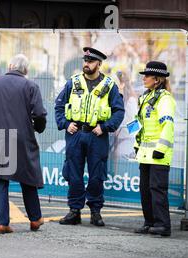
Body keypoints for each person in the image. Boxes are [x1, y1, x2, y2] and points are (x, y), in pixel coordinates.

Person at [0, 54, 47, 234]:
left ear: (9, 66)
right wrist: (37, 128)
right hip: (21, 136)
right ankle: (35, 219)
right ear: (26, 71)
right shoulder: (31, 86)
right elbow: (39, 114)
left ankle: (2, 223)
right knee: (28, 177)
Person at [55, 47, 124, 226]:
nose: (86, 64)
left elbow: (118, 111)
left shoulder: (109, 86)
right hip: (76, 134)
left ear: (99, 64)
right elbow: (59, 106)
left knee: (96, 175)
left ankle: (95, 212)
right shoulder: (73, 82)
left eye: (91, 61)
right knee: (73, 174)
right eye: (85, 61)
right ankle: (74, 211)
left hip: (97, 135)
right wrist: (65, 123)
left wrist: (105, 127)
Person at [133, 61, 175, 237]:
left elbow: (167, 125)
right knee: (145, 190)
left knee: (157, 190)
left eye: (147, 76)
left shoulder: (165, 99)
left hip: (158, 154)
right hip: (144, 153)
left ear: (156, 79)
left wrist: (161, 149)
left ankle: (163, 225)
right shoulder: (145, 98)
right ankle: (149, 222)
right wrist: (136, 145)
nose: (144, 78)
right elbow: (140, 125)